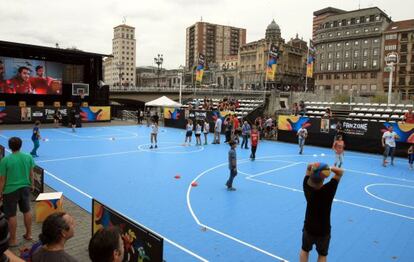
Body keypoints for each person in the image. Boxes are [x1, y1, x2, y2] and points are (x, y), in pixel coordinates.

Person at [300, 162, 344, 262]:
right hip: (324, 230)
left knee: (305, 250)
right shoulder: (329, 189)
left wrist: (315, 167)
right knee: (322, 255)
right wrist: (327, 168)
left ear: (311, 177)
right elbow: (340, 172)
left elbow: (308, 168)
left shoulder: (307, 187)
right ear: (324, 178)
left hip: (309, 227)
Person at [0, 137, 34, 247]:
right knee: (27, 211)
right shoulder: (28, 157)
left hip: (10, 190)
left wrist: (0, 192)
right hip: (25, 188)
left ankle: (13, 240)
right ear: (21, 145)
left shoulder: (5, 160)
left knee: (11, 215)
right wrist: (32, 184)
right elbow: (31, 173)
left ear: (9, 146)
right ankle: (29, 234)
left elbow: (2, 180)